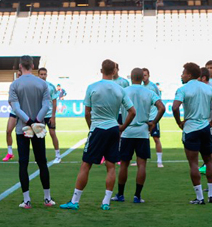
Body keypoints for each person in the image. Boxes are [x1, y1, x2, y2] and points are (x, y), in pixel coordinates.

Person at [61, 60, 135, 211]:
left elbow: (87, 112)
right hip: (113, 128)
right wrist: (122, 127)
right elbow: (132, 111)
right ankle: (106, 202)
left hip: (97, 128)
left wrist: (91, 127)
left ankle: (75, 201)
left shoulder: (92, 87)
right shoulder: (120, 89)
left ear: (101, 70)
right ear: (114, 71)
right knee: (111, 166)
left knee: (86, 164)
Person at [173, 63, 212, 205]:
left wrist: (179, 122)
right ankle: (211, 195)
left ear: (189, 75)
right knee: (208, 161)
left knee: (194, 164)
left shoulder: (183, 89)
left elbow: (175, 107)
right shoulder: (207, 88)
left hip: (191, 128)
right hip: (205, 128)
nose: (182, 75)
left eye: (183, 73)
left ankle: (200, 197)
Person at [9, 55, 55, 209]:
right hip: (38, 127)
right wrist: (36, 121)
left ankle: (27, 200)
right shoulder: (42, 84)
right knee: (42, 162)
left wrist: (28, 121)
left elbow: (16, 108)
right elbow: (46, 105)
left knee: (23, 163)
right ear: (33, 65)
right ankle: (47, 198)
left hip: (22, 127)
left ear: (20, 66)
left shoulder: (15, 84)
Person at [114, 68, 164, 204]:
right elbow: (162, 107)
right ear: (142, 78)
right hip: (142, 132)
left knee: (124, 164)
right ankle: (137, 196)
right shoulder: (149, 92)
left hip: (127, 132)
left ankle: (120, 194)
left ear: (131, 78)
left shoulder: (124, 91)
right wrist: (154, 122)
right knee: (142, 165)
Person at [38, 67, 62, 164]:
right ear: (38, 75)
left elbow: (54, 102)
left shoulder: (51, 87)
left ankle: (58, 156)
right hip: (39, 115)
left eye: (44, 74)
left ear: (47, 75)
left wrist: (53, 116)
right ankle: (41, 157)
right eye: (41, 74)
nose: (43, 76)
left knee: (52, 134)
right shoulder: (35, 86)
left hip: (49, 115)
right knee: (40, 137)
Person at [141, 68, 163, 167]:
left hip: (153, 117)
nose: (143, 77)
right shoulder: (141, 87)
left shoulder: (153, 87)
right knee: (141, 139)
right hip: (144, 117)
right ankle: (140, 159)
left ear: (149, 75)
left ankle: (159, 161)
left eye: (145, 75)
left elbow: (159, 101)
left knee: (156, 138)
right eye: (142, 75)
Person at [2, 68, 22, 162]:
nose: (19, 76)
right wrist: (15, 108)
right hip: (14, 112)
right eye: (18, 75)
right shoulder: (13, 85)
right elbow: (10, 100)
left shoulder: (27, 85)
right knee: (8, 131)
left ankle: (25, 153)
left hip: (25, 113)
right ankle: (10, 153)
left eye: (20, 75)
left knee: (25, 134)